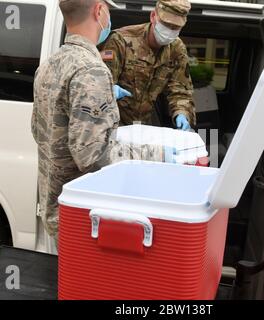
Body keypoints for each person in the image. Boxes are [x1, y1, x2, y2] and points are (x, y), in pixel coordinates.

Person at [31, 0, 176, 242]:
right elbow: (92, 156)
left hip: (58, 211)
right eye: (107, 9)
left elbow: (38, 131)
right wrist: (158, 155)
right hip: (84, 220)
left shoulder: (49, 64)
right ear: (99, 11)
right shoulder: (91, 70)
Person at [99, 0, 196, 130]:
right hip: (114, 122)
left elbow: (181, 91)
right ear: (153, 16)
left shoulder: (177, 49)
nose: (169, 31)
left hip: (144, 125)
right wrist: (110, 89)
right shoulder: (121, 40)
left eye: (175, 27)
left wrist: (182, 113)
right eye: (166, 24)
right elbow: (101, 86)